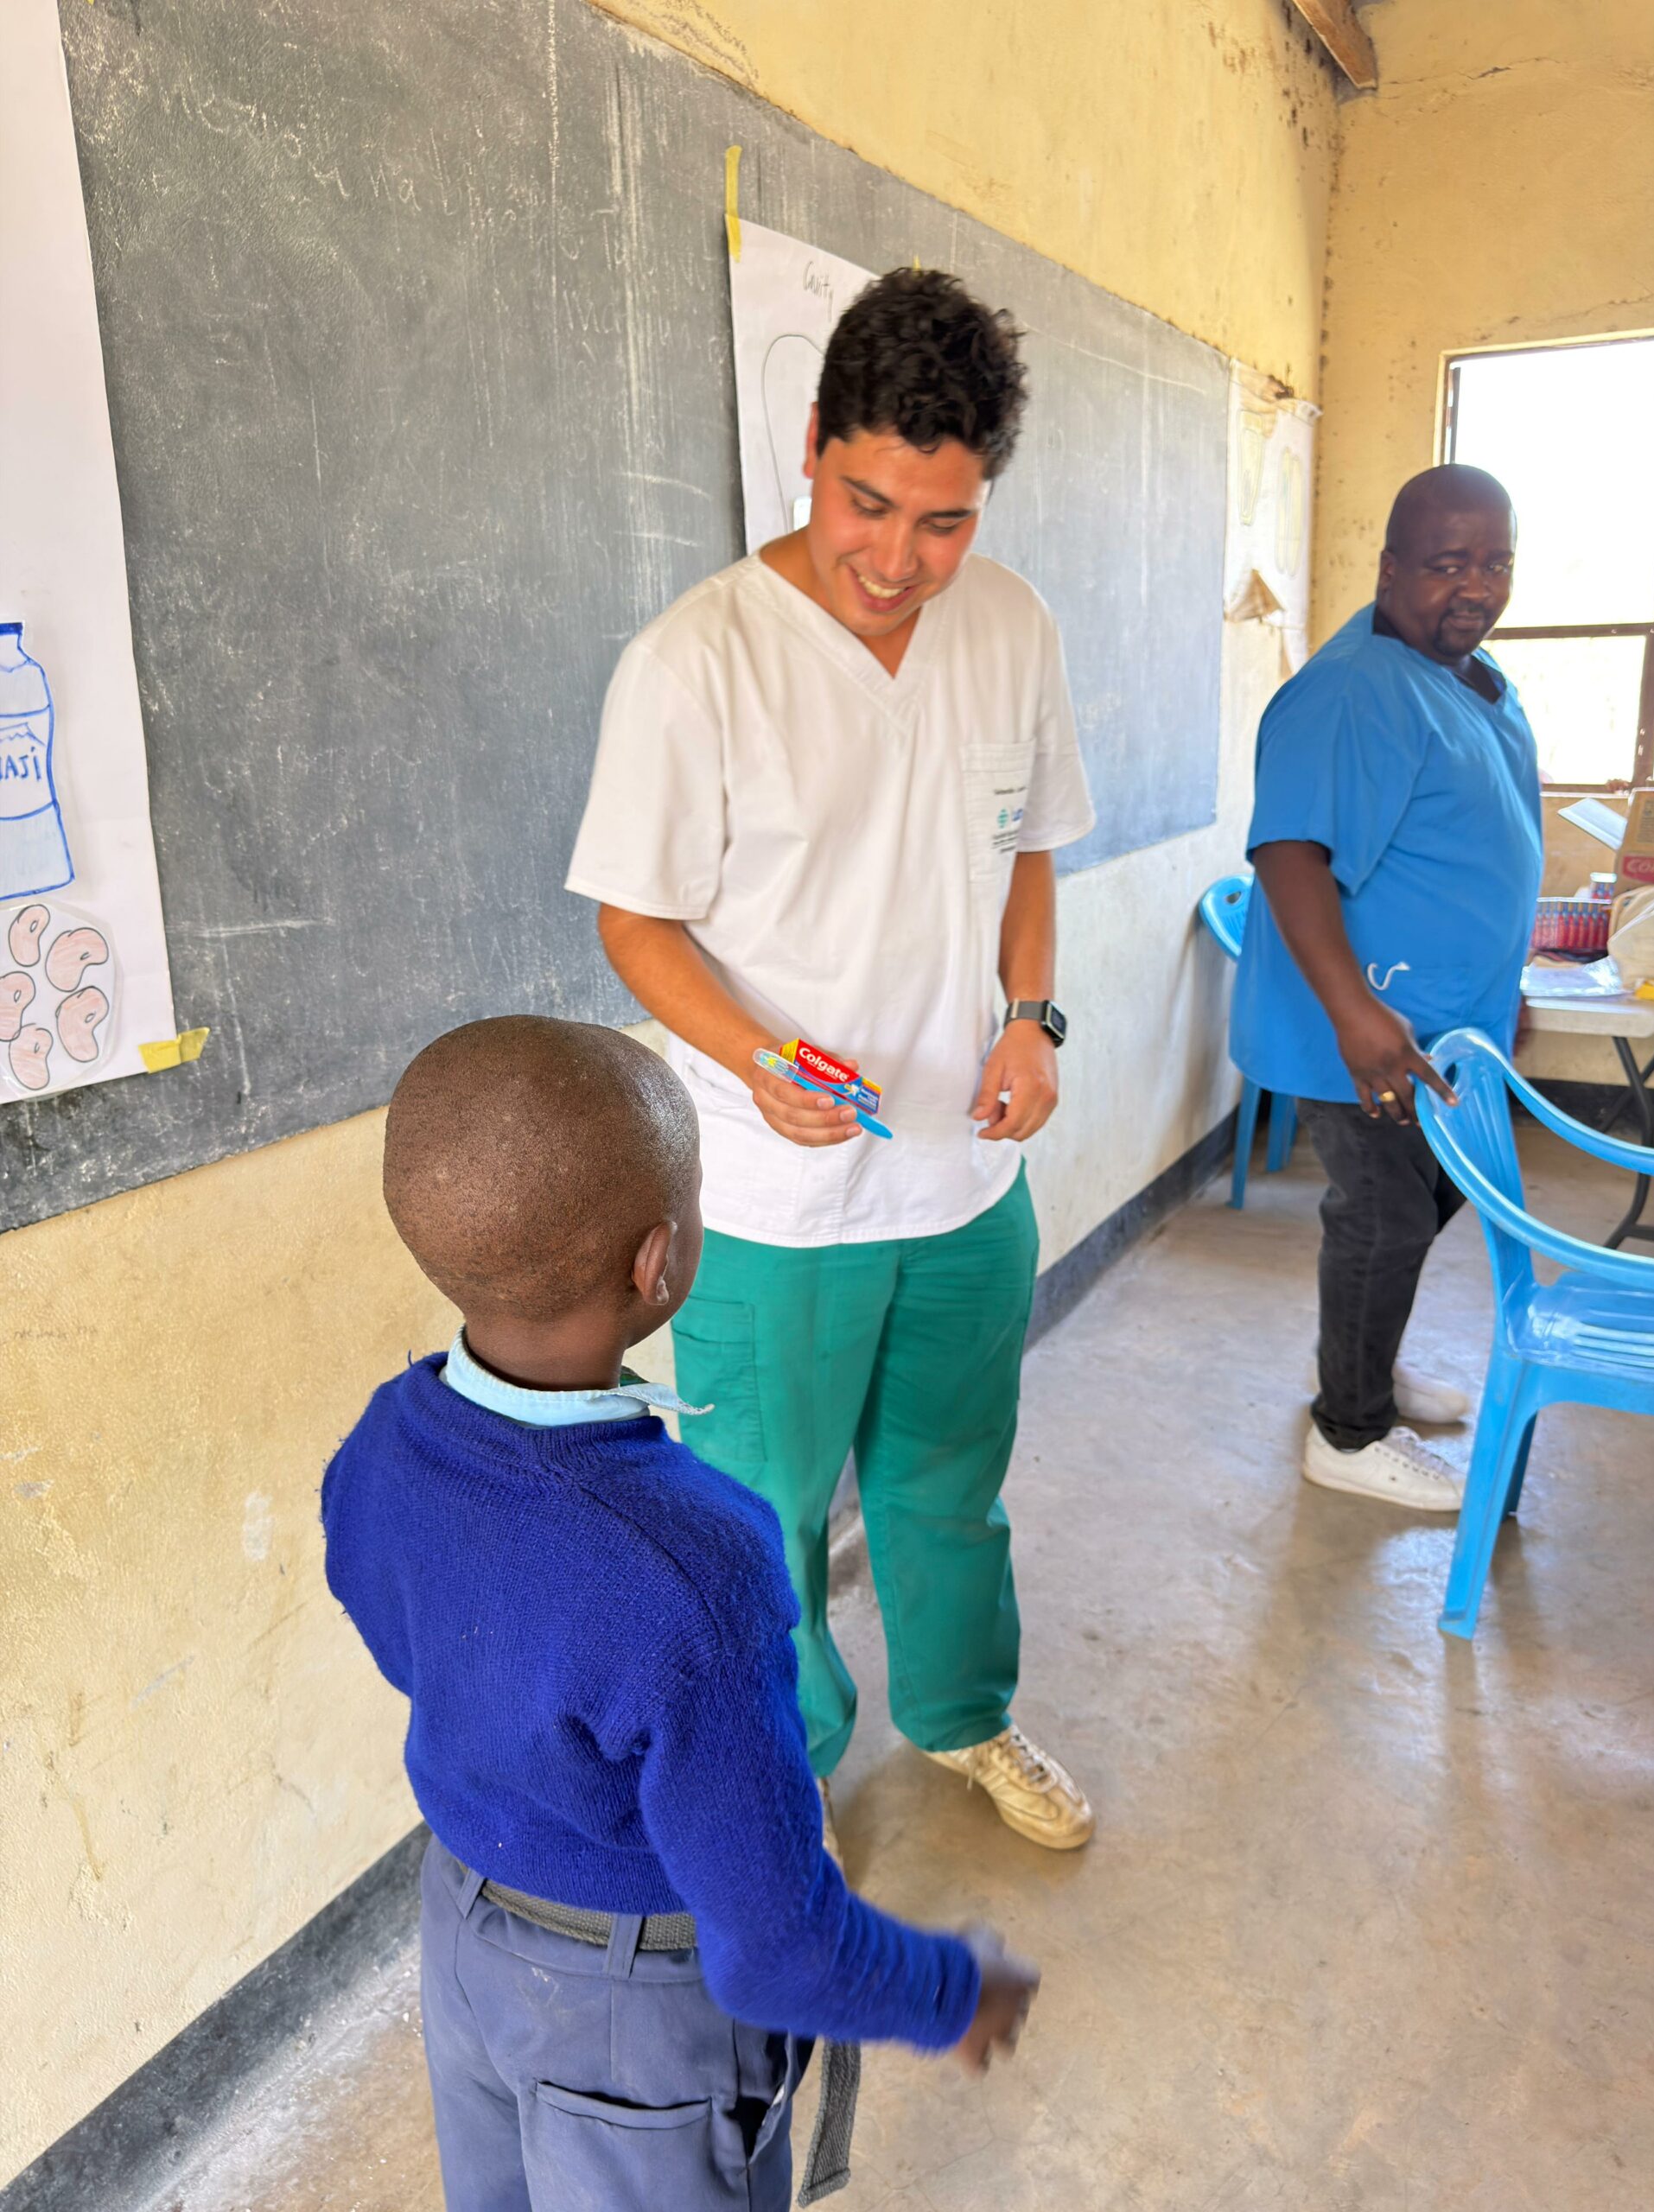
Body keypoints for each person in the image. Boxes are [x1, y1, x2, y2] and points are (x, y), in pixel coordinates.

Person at [321, 1017, 1040, 2212]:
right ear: (657, 1262)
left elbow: (389, 1610)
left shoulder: (387, 1437)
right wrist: (951, 1993)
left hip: (464, 1938)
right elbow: (780, 1948)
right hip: (635, 2010)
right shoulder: (693, 1562)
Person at [565, 269, 1097, 1855]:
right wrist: (754, 1057)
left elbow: (1029, 851)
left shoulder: (1011, 628)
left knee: (948, 1488)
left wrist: (1032, 1016)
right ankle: (777, 1760)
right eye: (868, 503)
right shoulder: (697, 661)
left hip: (964, 1180)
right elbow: (636, 921)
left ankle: (966, 1714)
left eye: (945, 522)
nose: (898, 559)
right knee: (761, 1519)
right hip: (771, 1199)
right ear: (811, 446)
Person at [1231, 464, 1543, 1510]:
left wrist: (1503, 986)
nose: (1476, 586)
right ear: (1390, 569)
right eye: (1448, 563)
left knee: (1430, 1199)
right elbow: (1289, 853)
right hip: (1364, 1028)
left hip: (1448, 1023)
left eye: (1494, 562)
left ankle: (1362, 1366)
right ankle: (1350, 1431)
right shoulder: (1352, 689)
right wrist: (1357, 1013)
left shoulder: (1467, 674)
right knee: (1385, 1219)